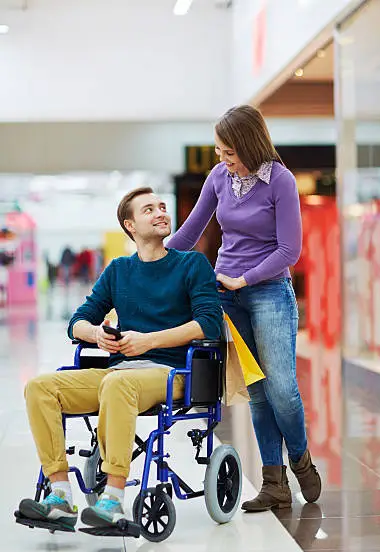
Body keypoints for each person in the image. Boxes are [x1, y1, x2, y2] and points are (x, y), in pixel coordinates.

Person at [18, 187, 223, 530]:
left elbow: (209, 323)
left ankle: (112, 500)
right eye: (149, 210)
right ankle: (59, 494)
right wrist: (96, 334)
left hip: (172, 372)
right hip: (121, 373)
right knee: (40, 387)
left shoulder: (191, 264)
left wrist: (147, 342)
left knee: (117, 383)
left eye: (162, 207)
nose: (160, 212)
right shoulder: (118, 271)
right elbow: (77, 322)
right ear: (130, 225)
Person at [167, 105, 321, 512]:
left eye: (228, 152)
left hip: (268, 291)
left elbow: (290, 249)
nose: (222, 159)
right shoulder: (219, 178)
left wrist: (246, 278)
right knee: (256, 391)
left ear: (250, 147)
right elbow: (192, 230)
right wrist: (153, 260)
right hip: (226, 293)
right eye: (219, 151)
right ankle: (274, 483)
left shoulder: (280, 182)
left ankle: (300, 457)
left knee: (282, 389)